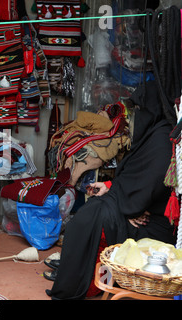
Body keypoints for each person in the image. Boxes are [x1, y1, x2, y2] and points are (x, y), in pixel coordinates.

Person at [45, 81, 178, 300]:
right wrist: (111, 188)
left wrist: (129, 205)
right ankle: (77, 275)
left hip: (151, 223)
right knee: (89, 214)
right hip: (136, 207)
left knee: (91, 218)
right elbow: (135, 181)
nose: (135, 115)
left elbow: (148, 186)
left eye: (139, 109)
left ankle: (82, 281)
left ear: (152, 109)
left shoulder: (163, 140)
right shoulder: (154, 135)